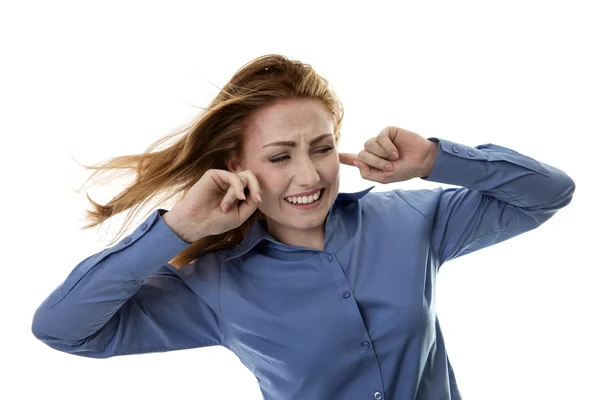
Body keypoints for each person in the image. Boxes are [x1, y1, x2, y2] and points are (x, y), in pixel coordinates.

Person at [31, 54, 576, 400]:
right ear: (239, 166)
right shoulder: (215, 285)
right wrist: (176, 229)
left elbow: (549, 194)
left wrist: (435, 159)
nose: (308, 174)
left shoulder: (409, 221)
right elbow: (62, 328)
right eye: (279, 156)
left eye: (320, 149)